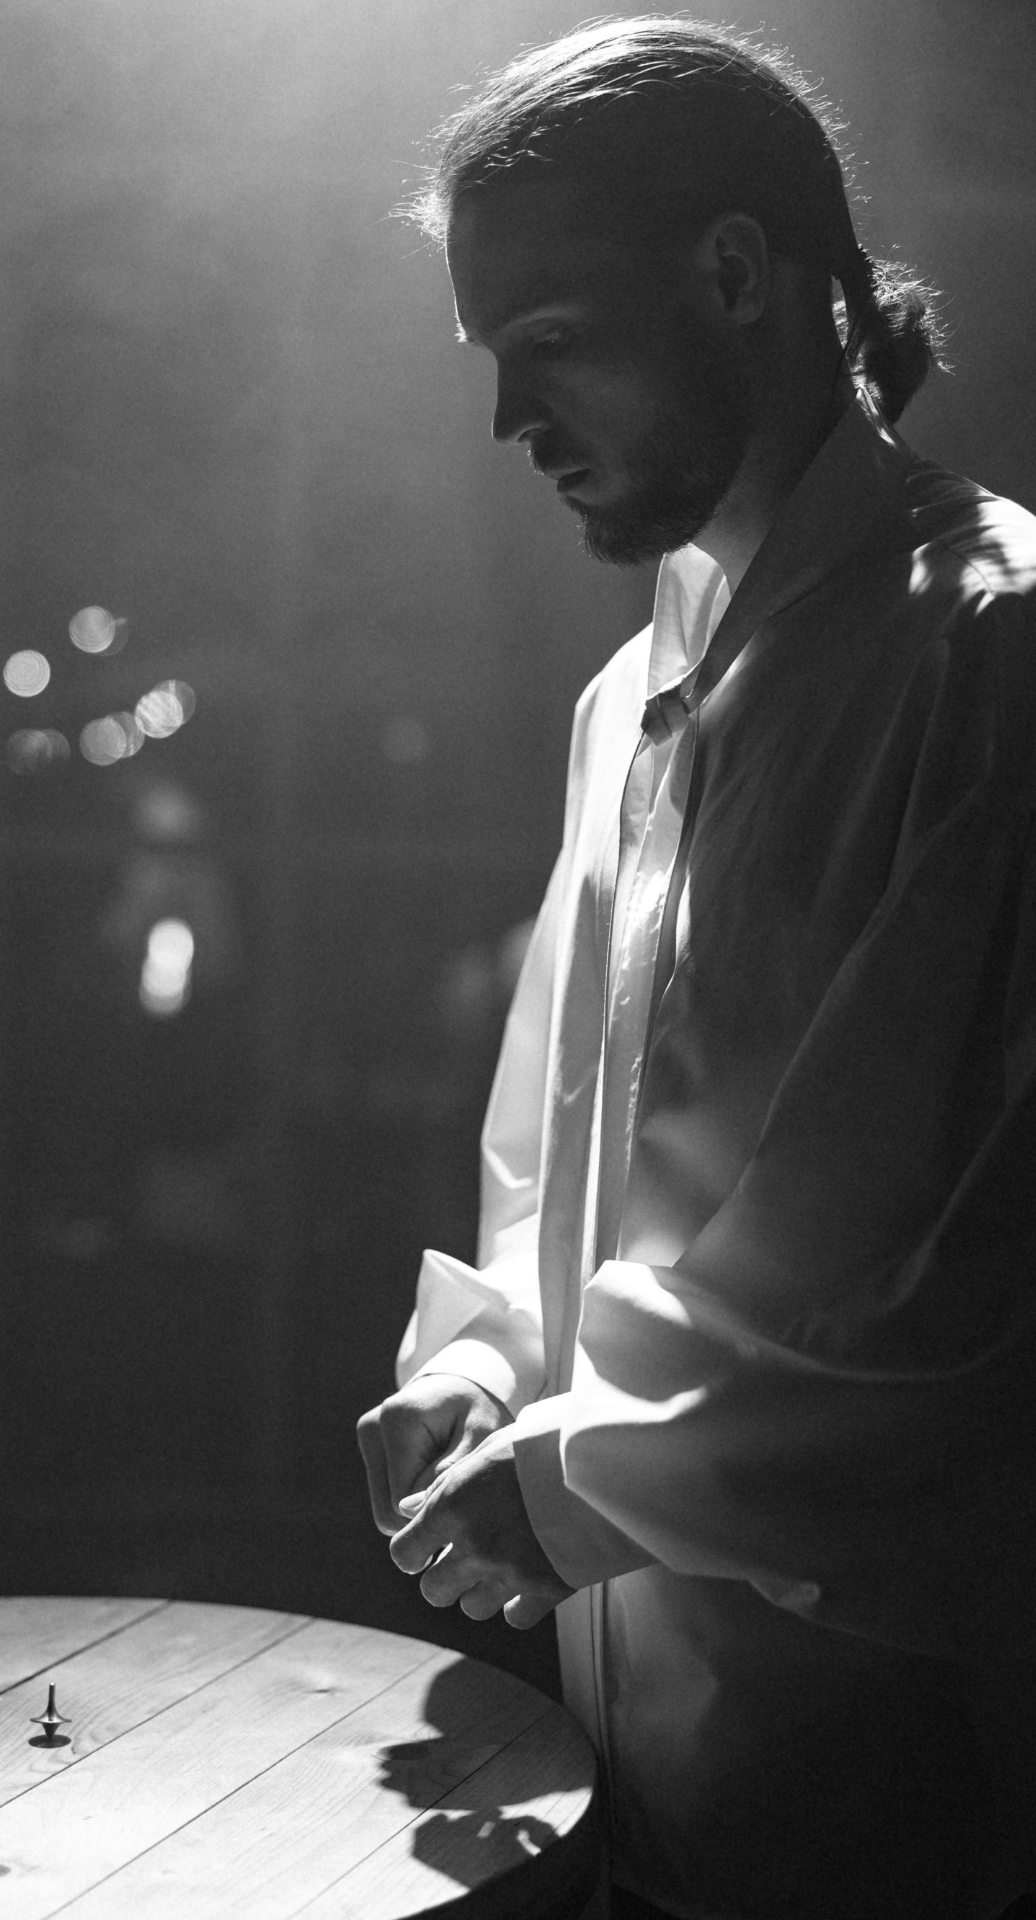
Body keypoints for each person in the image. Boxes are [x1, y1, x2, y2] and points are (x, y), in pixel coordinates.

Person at [356, 19, 1036, 1920]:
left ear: (738, 274)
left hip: (912, 1808)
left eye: (549, 338)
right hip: (624, 1778)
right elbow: (566, 1179)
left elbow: (978, 1309)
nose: (508, 420)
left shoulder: (992, 662)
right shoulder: (621, 703)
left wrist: (580, 1485)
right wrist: (488, 1368)